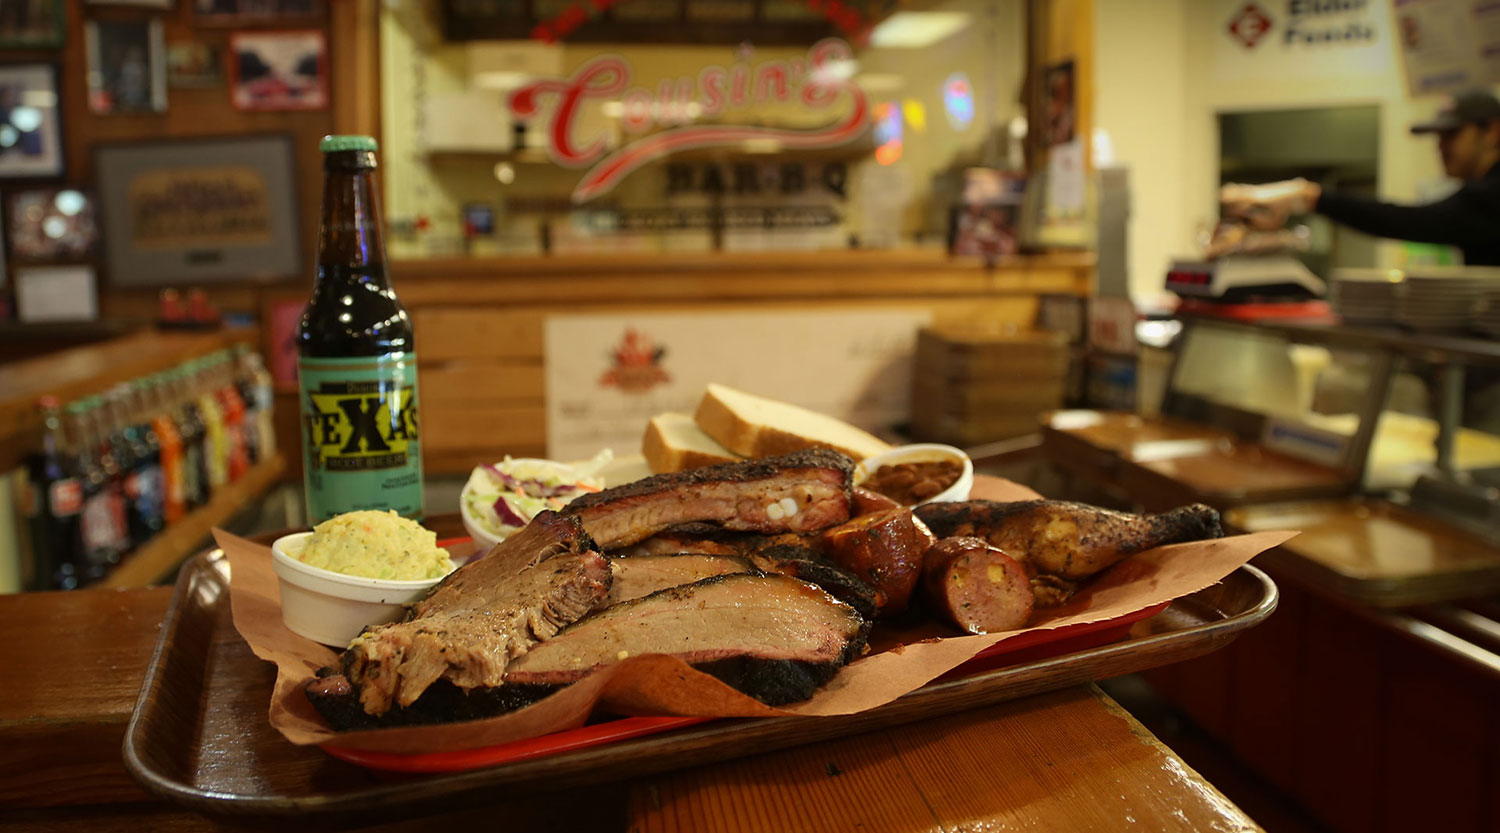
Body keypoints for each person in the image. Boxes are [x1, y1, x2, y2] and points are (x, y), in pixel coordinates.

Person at [1220, 88, 1500, 266]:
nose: (1440, 147)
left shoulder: (1490, 197)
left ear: (1492, 131)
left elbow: (1410, 221)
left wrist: (1310, 197)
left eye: (1452, 135)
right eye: (1438, 136)